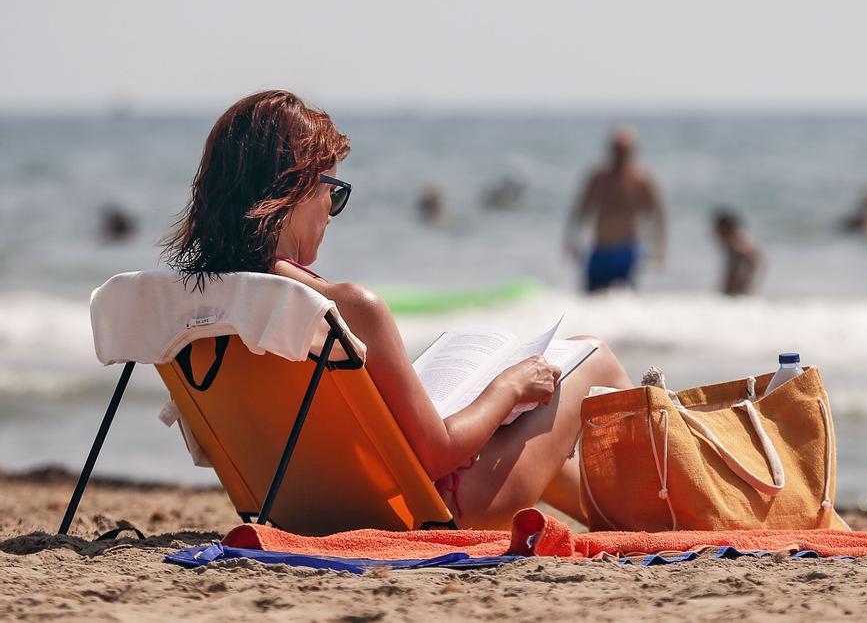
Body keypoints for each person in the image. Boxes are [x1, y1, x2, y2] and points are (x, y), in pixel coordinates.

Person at [161, 91, 633, 529]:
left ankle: (637, 518)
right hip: (435, 509)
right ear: (297, 188)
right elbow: (437, 453)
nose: (331, 212)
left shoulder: (204, 304)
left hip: (303, 508)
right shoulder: (345, 307)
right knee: (592, 355)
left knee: (537, 446)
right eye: (333, 192)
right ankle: (666, 496)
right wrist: (509, 387)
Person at [564, 126, 666, 292]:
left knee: (625, 295)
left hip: (626, 251)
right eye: (616, 150)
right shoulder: (598, 179)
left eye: (624, 151)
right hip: (600, 249)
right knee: (591, 295)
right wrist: (571, 241)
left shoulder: (640, 181)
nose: (620, 155)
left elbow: (657, 215)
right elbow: (580, 210)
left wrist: (659, 250)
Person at [712, 209, 763, 296]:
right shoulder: (735, 239)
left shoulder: (736, 241)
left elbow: (752, 260)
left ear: (726, 228)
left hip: (744, 278)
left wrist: (742, 280)